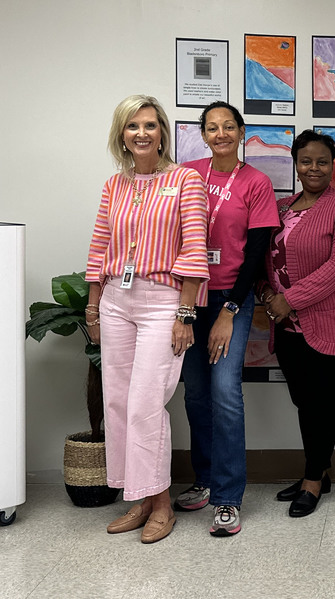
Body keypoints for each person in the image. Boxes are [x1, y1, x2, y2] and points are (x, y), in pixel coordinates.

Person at [85, 94, 209, 543]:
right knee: (117, 400)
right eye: (133, 126)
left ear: (163, 133)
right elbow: (99, 248)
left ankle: (161, 506)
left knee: (144, 404)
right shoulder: (113, 186)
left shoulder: (185, 181)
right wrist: (93, 305)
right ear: (122, 134)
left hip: (163, 300)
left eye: (150, 125)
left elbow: (195, 248)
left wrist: (185, 313)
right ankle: (140, 498)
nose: (142, 133)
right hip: (116, 298)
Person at [177, 101, 279, 536]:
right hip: (187, 294)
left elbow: (256, 255)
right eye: (212, 127)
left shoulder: (256, 183)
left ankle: (227, 497)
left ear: (241, 132)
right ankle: (203, 478)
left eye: (228, 127)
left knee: (224, 391)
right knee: (196, 392)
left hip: (229, 297)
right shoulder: (186, 174)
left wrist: (230, 311)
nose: (220, 134)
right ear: (203, 134)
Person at [255, 130, 335, 518]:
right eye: (306, 161)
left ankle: (313, 480)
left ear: (332, 165)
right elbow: (266, 261)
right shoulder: (282, 208)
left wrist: (289, 300)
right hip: (287, 326)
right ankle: (319, 468)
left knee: (324, 401)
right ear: (295, 163)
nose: (314, 168)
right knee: (305, 402)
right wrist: (266, 293)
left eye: (322, 161)